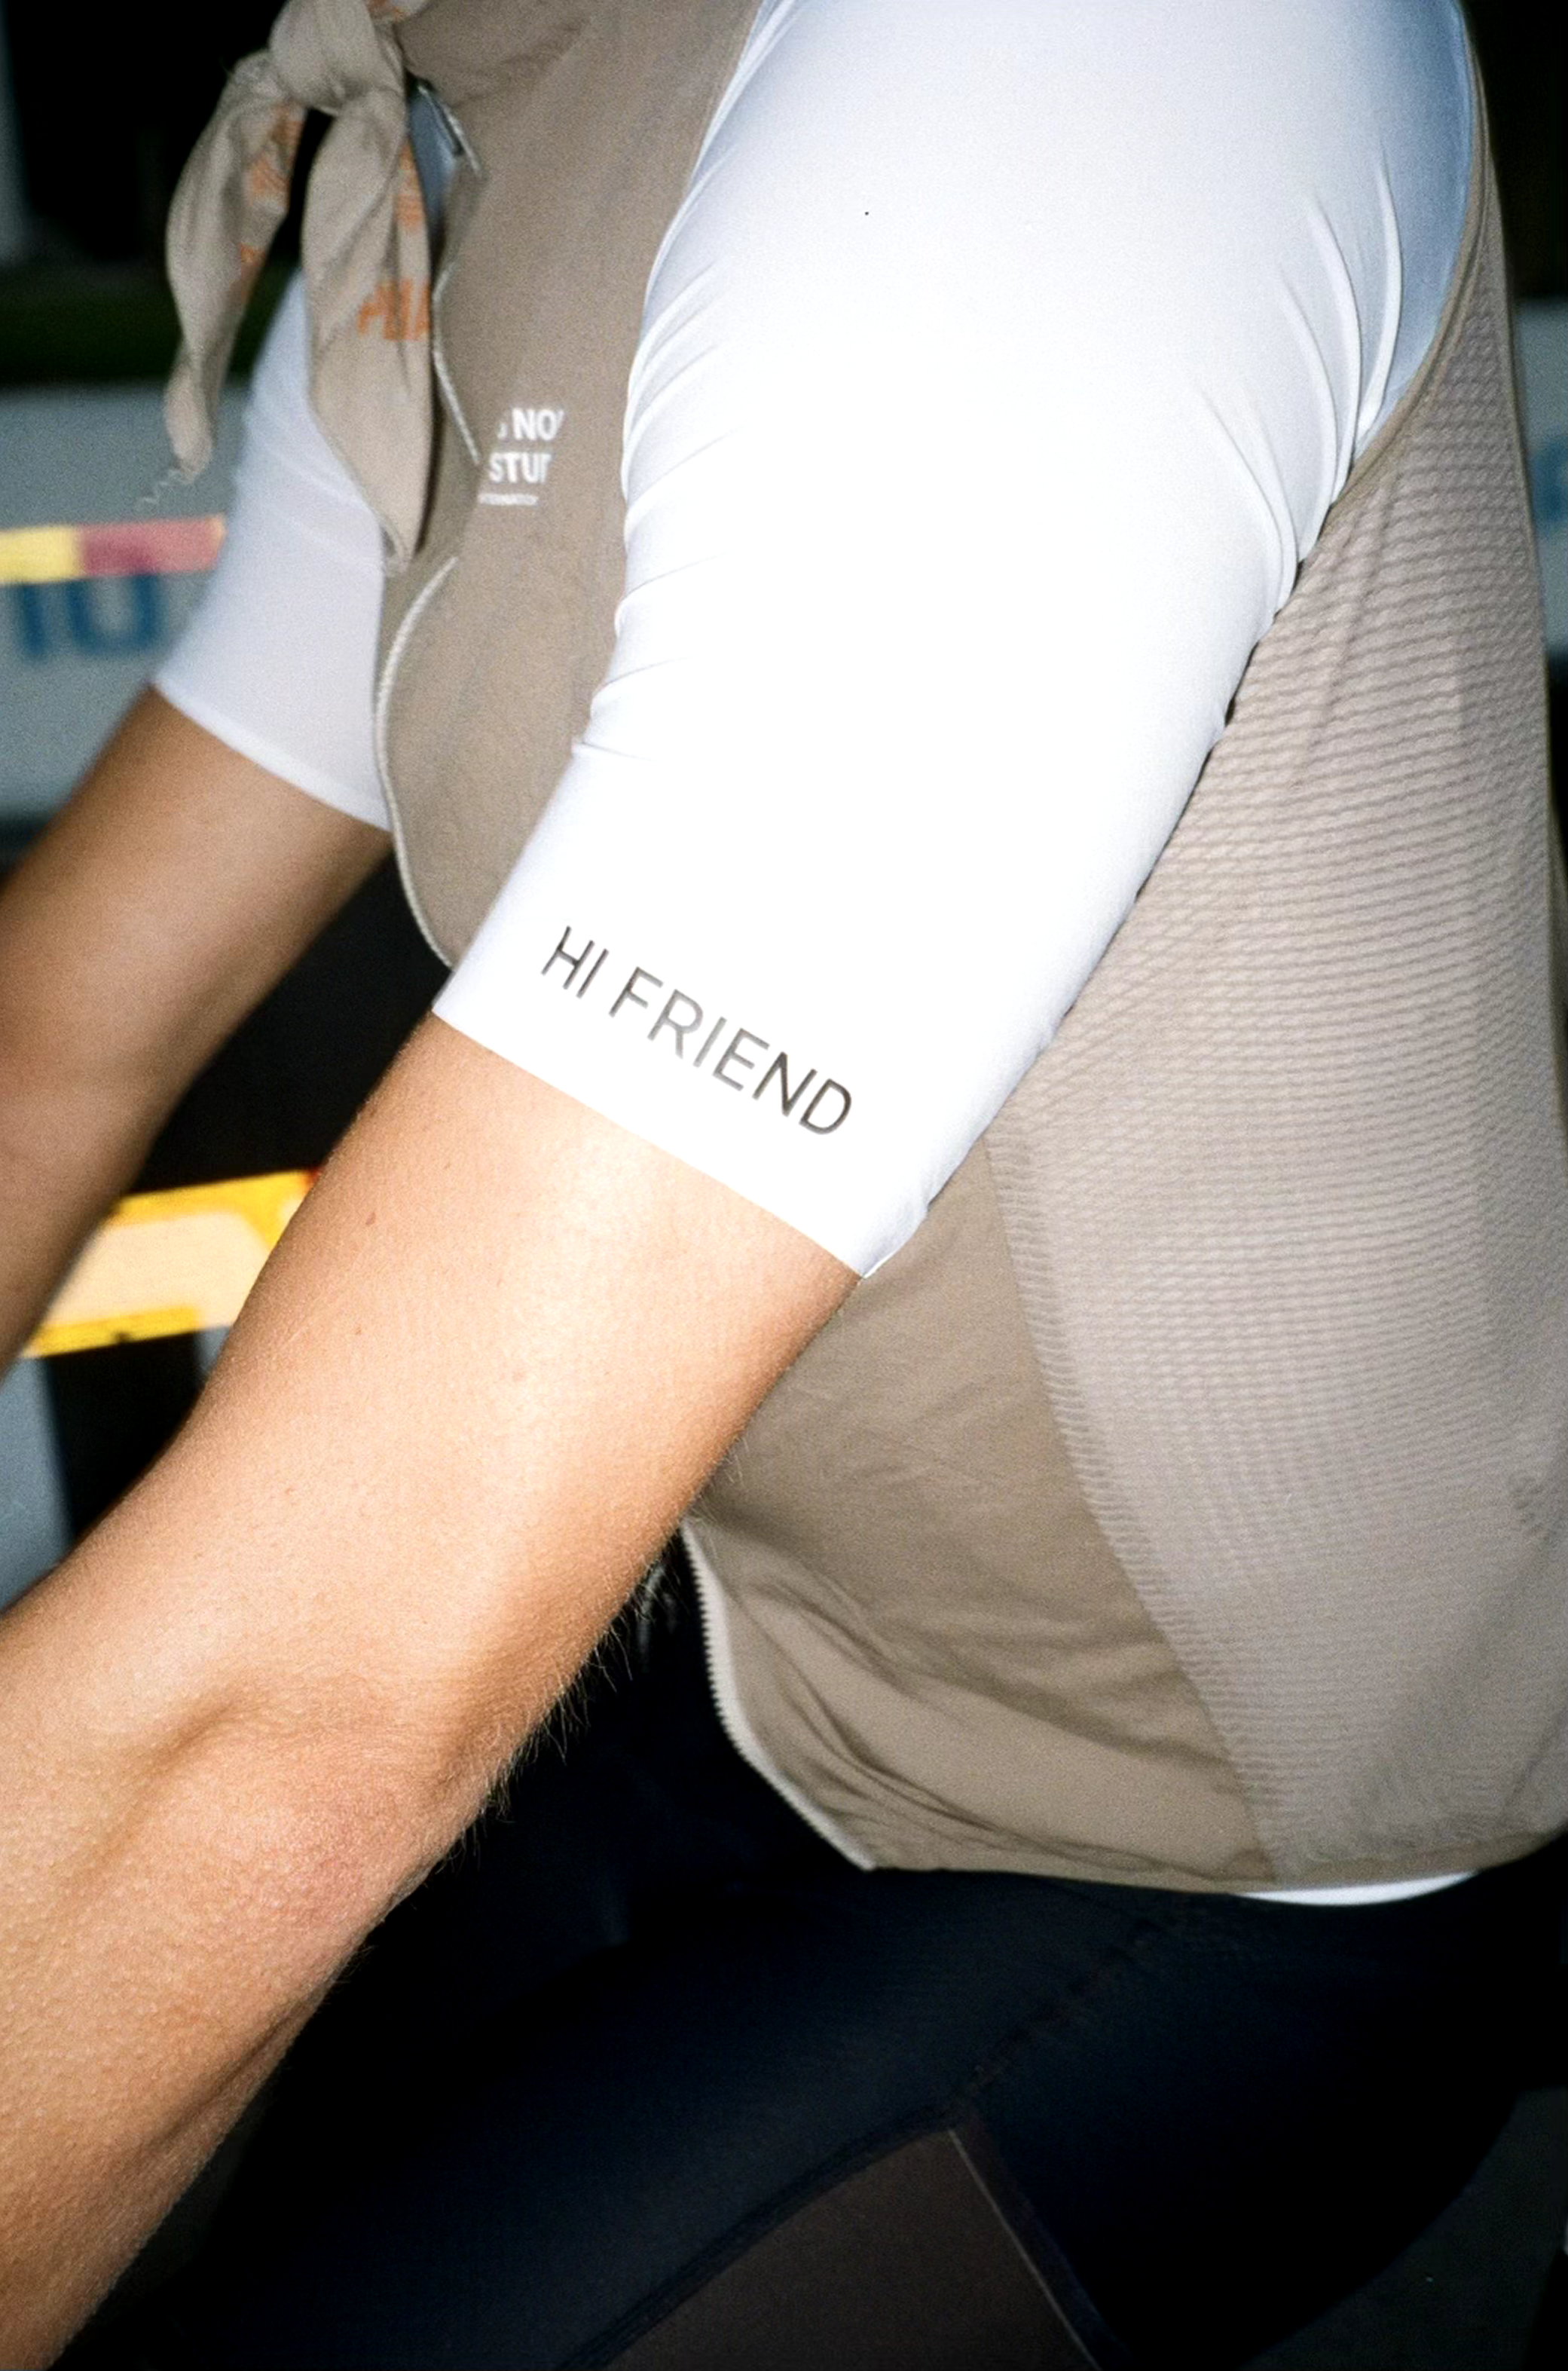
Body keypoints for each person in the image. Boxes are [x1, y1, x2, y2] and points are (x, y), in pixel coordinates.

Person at [1, 2, 1563, 2364]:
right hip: (757, 1663)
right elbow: (54, 1034)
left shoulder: (1080, 63)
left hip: (1225, 1854)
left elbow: (295, 1710)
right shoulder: (439, 144)